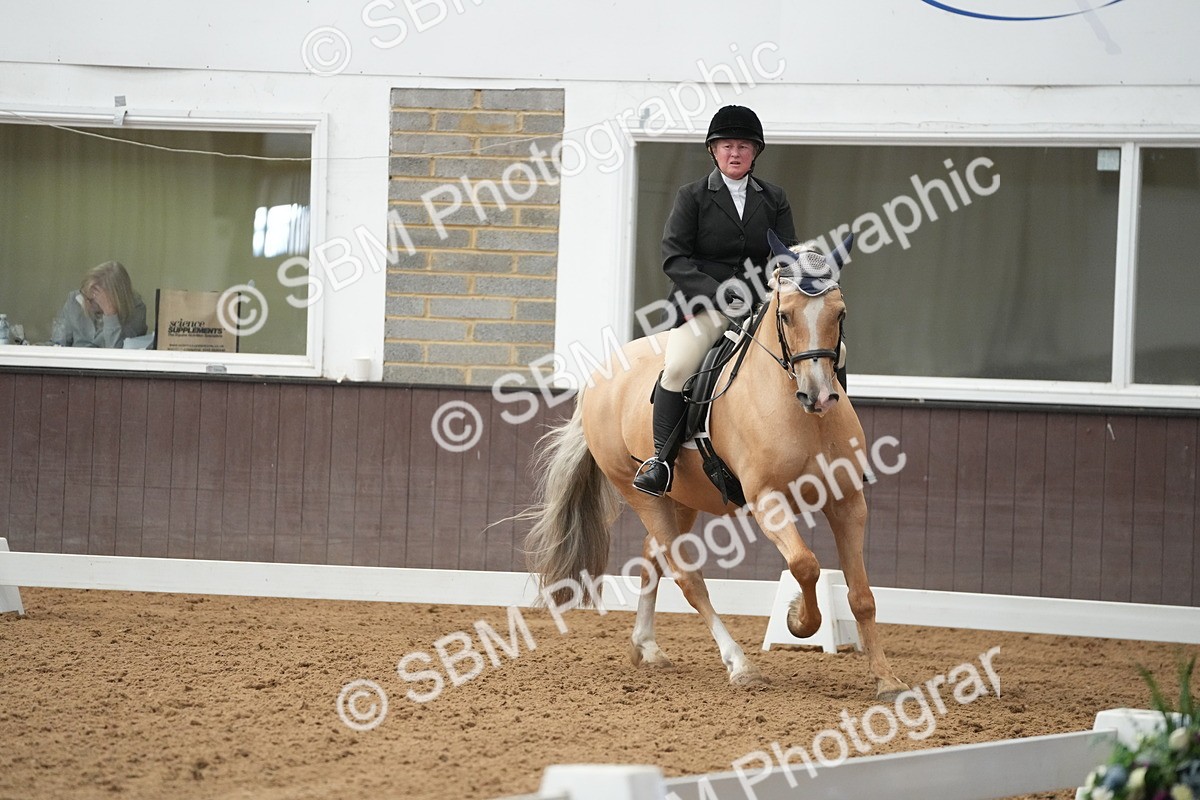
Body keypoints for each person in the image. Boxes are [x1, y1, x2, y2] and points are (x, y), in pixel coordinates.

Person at [633, 105, 797, 497]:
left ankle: (836, 446)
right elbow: (674, 258)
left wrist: (782, 279)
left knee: (829, 350)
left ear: (755, 152)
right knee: (677, 368)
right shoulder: (691, 196)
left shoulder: (774, 198)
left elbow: (786, 252)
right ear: (713, 150)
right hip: (704, 304)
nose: (734, 153)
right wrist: (721, 293)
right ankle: (661, 461)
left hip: (760, 305)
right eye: (726, 145)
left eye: (743, 146)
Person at [51, 260, 148, 348]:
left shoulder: (136, 309)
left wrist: (110, 314)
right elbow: (58, 343)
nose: (86, 303)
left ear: (114, 298)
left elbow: (118, 353)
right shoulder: (75, 300)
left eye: (93, 300)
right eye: (85, 295)